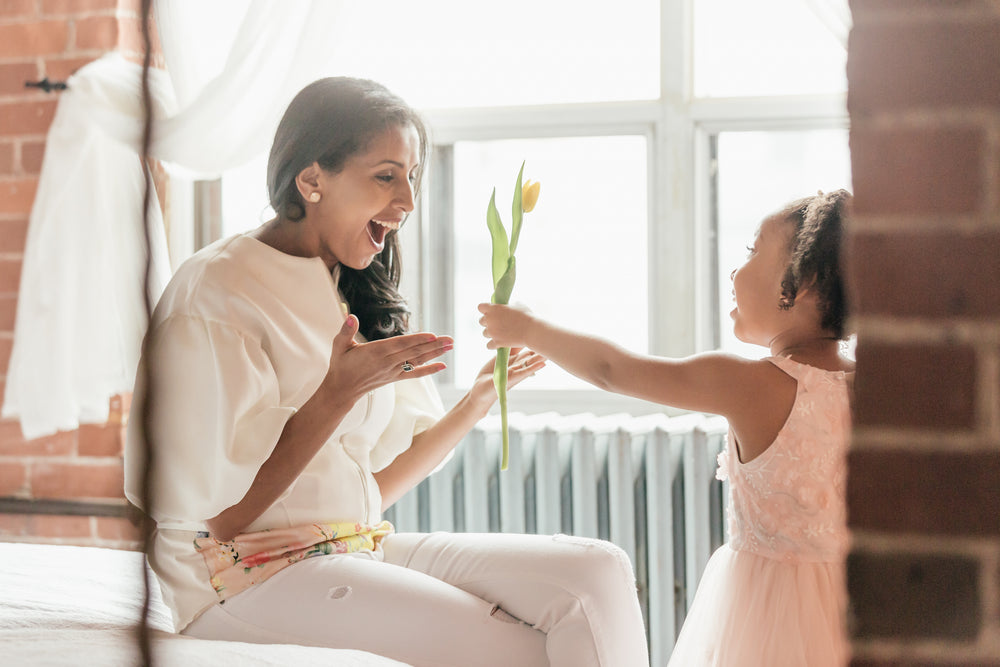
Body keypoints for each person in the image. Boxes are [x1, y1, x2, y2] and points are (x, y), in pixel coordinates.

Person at [124, 77, 650, 667]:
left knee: (595, 573)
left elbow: (368, 491)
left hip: (347, 543)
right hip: (238, 576)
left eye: (412, 176)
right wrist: (335, 393)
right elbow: (221, 520)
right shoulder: (217, 293)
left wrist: (474, 402)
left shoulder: (343, 283)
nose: (408, 200)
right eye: (386, 175)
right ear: (312, 179)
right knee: (525, 651)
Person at [480, 190, 854, 666]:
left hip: (769, 619)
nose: (735, 271)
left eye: (753, 251)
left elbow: (613, 370)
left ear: (802, 282)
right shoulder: (880, 388)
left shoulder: (749, 384)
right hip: (862, 609)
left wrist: (529, 330)